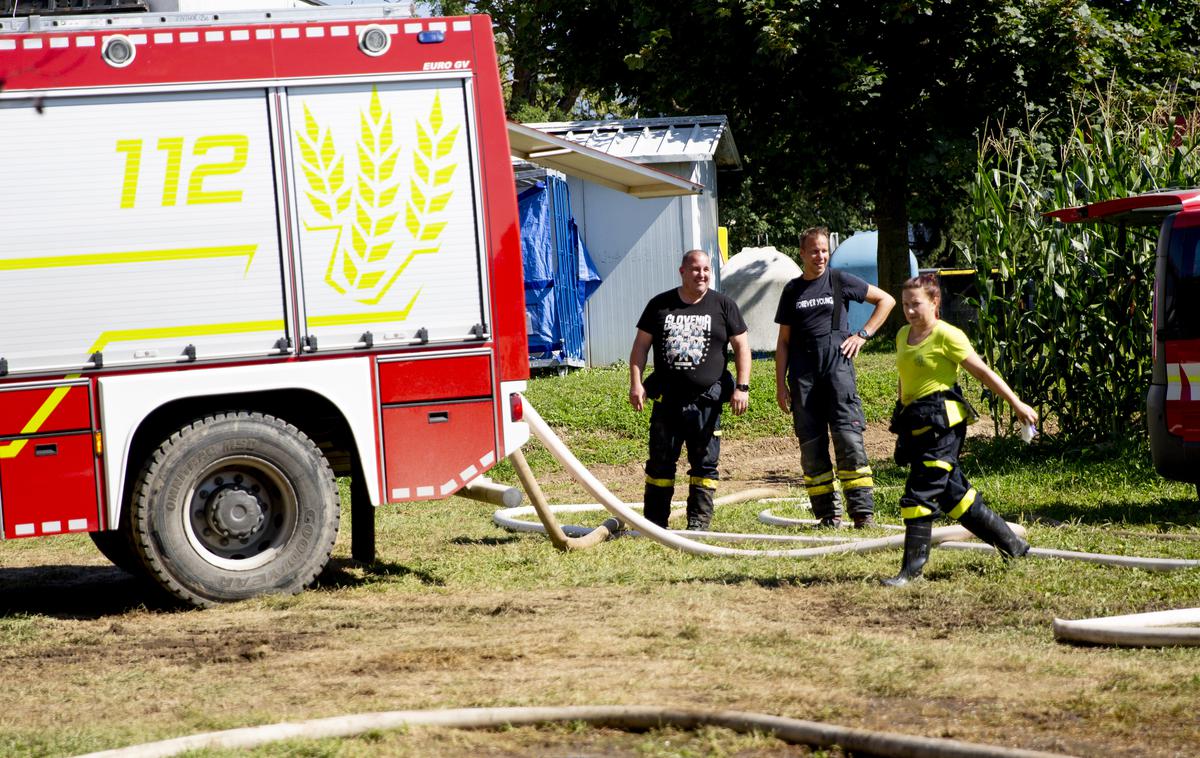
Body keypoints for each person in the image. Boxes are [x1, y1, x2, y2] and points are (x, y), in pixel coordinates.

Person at [884, 274, 1037, 586]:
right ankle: (1015, 547)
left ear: (935, 302)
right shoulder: (902, 335)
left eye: (917, 304)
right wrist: (901, 411)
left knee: (919, 494)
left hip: (943, 426)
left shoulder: (947, 335)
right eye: (905, 305)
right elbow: (905, 376)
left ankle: (910, 572)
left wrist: (1016, 403)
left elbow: (983, 373)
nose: (910, 311)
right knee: (957, 499)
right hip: (916, 423)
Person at [774, 227, 895, 528]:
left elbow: (886, 301)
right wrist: (780, 385)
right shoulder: (792, 291)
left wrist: (863, 335)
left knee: (848, 439)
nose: (821, 255)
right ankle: (828, 515)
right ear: (802, 253)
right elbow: (784, 342)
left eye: (825, 250)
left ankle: (862, 514)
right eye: (814, 250)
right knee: (811, 446)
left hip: (838, 372)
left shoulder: (840, 281)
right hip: (803, 376)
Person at [629, 249, 751, 531]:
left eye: (707, 270)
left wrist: (742, 387)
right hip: (667, 401)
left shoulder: (724, 305)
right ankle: (655, 524)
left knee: (705, 467)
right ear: (682, 271)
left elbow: (742, 347)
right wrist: (636, 382)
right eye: (696, 269)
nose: (702, 275)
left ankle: (698, 524)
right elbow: (640, 347)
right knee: (660, 466)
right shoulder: (660, 305)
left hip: (707, 402)